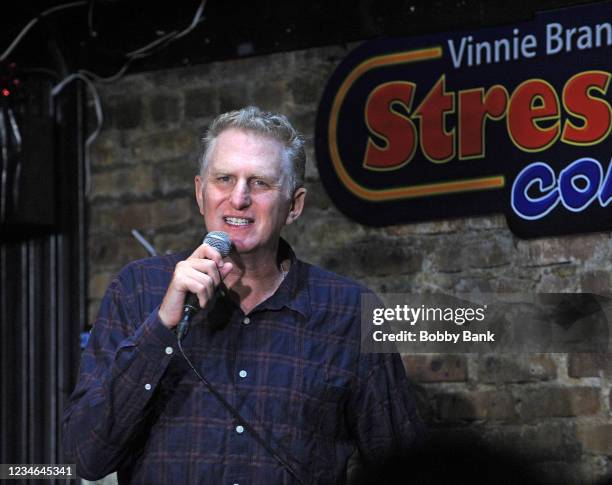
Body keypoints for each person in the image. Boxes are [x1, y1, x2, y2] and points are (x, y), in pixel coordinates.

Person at [62, 106, 424, 484]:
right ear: (201, 193)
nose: (239, 199)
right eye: (224, 179)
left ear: (295, 205)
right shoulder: (137, 290)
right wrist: (163, 326)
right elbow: (85, 457)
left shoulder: (349, 312)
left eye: (260, 183)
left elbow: (406, 466)